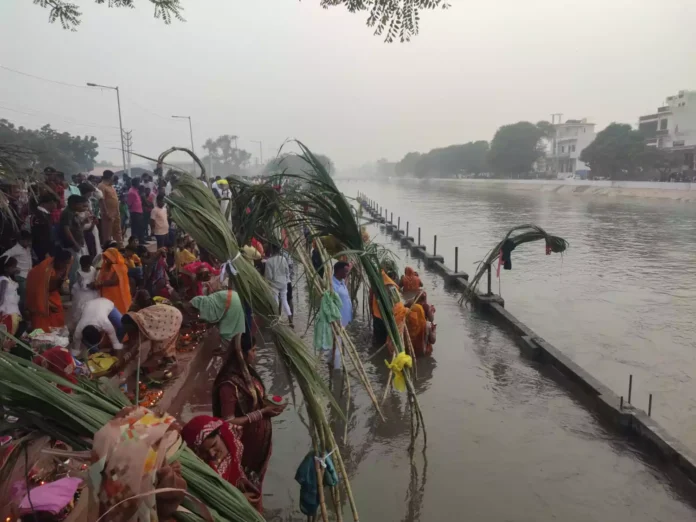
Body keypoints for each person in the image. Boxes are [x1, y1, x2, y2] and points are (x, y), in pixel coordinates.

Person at [211, 335, 285, 511]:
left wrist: (269, 408)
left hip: (257, 444)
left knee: (256, 482)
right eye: (253, 350)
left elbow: (256, 401)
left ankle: (256, 508)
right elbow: (228, 421)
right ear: (241, 354)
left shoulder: (248, 374)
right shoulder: (228, 384)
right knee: (244, 486)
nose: (256, 354)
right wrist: (262, 413)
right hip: (244, 448)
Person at [181, 415, 260, 509]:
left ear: (219, 433)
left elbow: (237, 464)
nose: (211, 453)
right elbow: (209, 498)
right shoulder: (199, 466)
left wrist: (243, 479)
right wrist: (239, 500)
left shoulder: (231, 435)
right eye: (204, 451)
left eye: (214, 445)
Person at [26, 249, 72, 332]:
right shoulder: (45, 271)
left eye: (67, 263)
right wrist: (48, 304)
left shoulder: (61, 266)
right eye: (65, 263)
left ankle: (56, 336)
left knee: (58, 313)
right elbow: (38, 293)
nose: (66, 266)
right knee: (42, 324)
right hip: (39, 296)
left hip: (52, 293)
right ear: (59, 261)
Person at [59, 194, 90, 283]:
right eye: (81, 204)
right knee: (74, 268)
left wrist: (84, 222)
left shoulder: (73, 213)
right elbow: (67, 230)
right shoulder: (67, 213)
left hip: (77, 243)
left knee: (77, 266)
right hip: (71, 245)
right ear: (74, 204)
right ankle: (73, 287)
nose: (82, 207)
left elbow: (76, 227)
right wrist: (74, 243)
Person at [328, 261, 352, 369]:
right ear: (338, 271)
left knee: (334, 342)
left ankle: (329, 362)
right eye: (345, 271)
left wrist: (351, 266)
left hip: (344, 319)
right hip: (338, 320)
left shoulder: (341, 281)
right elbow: (330, 303)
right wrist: (335, 320)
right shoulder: (332, 285)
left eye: (347, 271)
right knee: (338, 345)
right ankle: (337, 370)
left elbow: (346, 277)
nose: (347, 273)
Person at [1, 231, 32, 310]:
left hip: (29, 275)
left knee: (27, 295)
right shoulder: (16, 249)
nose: (28, 242)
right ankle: (22, 314)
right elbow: (4, 256)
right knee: (22, 297)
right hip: (20, 276)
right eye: (27, 241)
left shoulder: (27, 249)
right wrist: (13, 268)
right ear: (21, 240)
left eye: (29, 240)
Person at [370, 267, 401, 346]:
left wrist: (372, 312)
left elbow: (370, 300)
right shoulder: (390, 286)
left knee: (380, 338)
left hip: (380, 316)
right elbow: (398, 303)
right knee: (387, 339)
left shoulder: (376, 285)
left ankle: (379, 353)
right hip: (386, 316)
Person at [96, 247, 132, 313]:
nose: (106, 259)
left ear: (113, 257)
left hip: (117, 294)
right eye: (105, 257)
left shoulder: (120, 266)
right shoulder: (105, 265)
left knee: (118, 311)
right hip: (106, 294)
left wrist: (100, 283)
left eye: (108, 257)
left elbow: (114, 282)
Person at [264, 244, 292, 325]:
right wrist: (286, 279)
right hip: (284, 283)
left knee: (275, 301)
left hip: (274, 284)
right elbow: (287, 271)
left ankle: (276, 319)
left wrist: (267, 283)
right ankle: (290, 318)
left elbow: (269, 276)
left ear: (271, 250)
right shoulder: (283, 259)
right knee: (284, 300)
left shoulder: (269, 261)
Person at [70, 254, 99, 325]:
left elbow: (95, 278)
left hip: (93, 293)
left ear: (89, 265)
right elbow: (81, 284)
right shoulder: (79, 272)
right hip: (82, 293)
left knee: (92, 309)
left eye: (86, 267)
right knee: (80, 309)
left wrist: (95, 284)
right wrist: (88, 285)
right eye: (83, 267)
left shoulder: (93, 269)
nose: (84, 268)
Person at [31, 193, 59, 261]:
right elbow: (38, 236)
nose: (55, 205)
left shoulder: (45, 214)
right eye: (53, 203)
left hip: (49, 248)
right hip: (43, 251)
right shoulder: (38, 216)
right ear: (45, 204)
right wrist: (45, 252)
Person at [0, 256, 23, 336]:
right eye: (13, 267)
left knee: (11, 330)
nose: (15, 268)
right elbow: (1, 297)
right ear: (6, 268)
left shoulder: (10, 278)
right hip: (7, 310)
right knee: (8, 330)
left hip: (13, 309)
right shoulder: (4, 280)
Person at [98, 170, 122, 245]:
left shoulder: (111, 186)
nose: (113, 179)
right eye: (113, 177)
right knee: (107, 234)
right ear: (109, 177)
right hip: (108, 214)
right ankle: (107, 249)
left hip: (116, 213)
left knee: (118, 231)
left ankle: (120, 247)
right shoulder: (101, 186)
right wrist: (106, 213)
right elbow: (102, 201)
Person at [127, 178, 144, 244]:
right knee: (135, 229)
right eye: (138, 183)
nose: (139, 184)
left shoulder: (136, 190)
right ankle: (134, 242)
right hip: (135, 212)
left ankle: (141, 240)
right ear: (135, 183)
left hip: (139, 212)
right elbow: (129, 204)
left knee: (140, 227)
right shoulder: (131, 192)